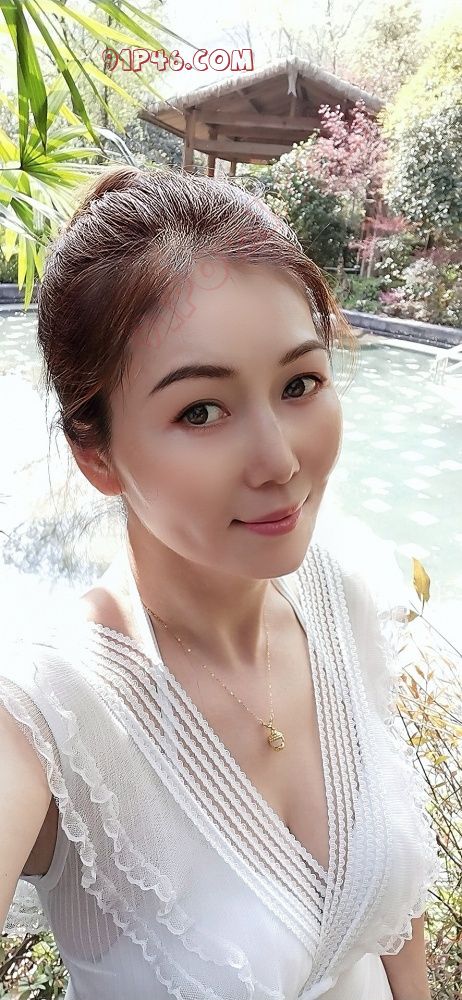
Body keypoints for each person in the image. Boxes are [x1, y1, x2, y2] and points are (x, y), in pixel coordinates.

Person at [0, 166, 442, 1000]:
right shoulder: (48, 714)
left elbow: (399, 916)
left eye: (299, 384)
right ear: (96, 453)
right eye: (200, 410)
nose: (279, 462)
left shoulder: (339, 590)